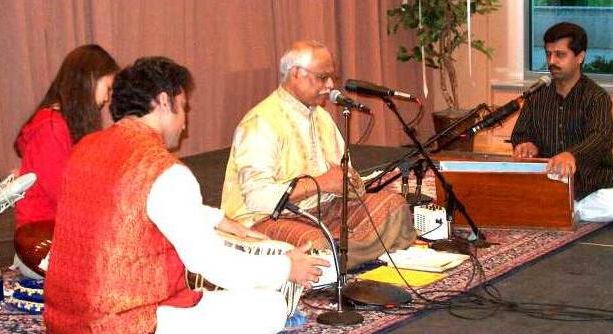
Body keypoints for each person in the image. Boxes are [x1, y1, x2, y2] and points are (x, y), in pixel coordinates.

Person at [43, 57, 328, 333]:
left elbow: (125, 200)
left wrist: (216, 218)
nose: (185, 123)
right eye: (184, 108)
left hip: (63, 320)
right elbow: (212, 263)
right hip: (127, 324)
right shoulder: (162, 168)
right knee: (269, 305)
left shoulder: (85, 149)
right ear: (164, 101)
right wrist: (286, 267)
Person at [222, 40, 416, 269]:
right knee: (315, 243)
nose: (330, 85)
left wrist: (349, 182)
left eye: (330, 77)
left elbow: (344, 178)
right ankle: (339, 256)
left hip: (325, 211)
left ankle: (337, 259)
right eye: (323, 77)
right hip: (268, 219)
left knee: (394, 207)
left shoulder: (322, 118)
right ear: (295, 74)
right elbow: (257, 199)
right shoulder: (261, 123)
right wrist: (320, 184)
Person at [511, 22, 613, 223]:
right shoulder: (537, 95)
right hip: (550, 181)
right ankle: (563, 209)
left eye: (560, 54)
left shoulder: (596, 96)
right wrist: (525, 144)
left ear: (580, 57)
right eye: (549, 54)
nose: (552, 61)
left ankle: (571, 210)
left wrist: (572, 155)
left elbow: (601, 137)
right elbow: (521, 133)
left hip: (591, 183)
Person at [14, 44, 119, 228]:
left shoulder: (61, 123)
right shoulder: (50, 127)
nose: (106, 98)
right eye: (108, 88)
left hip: (58, 228)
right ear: (90, 80)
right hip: (44, 234)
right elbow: (66, 194)